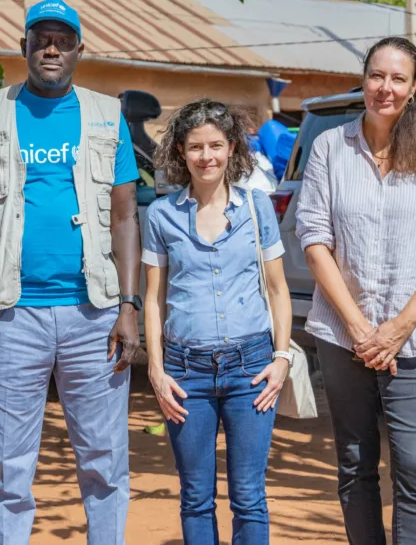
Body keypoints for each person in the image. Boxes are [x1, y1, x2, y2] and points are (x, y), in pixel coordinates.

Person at [0, 0, 143, 544]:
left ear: (80, 48)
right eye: (41, 38)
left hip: (94, 315)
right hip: (10, 317)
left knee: (104, 464)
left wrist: (129, 306)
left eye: (63, 39)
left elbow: (125, 216)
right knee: (7, 470)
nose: (51, 47)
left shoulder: (107, 113)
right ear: (24, 45)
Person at [296, 37, 416, 545]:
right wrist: (361, 328)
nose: (384, 88)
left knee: (414, 470)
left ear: (413, 89)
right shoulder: (329, 147)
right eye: (376, 75)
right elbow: (314, 236)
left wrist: (398, 327)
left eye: (397, 79)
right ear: (363, 79)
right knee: (354, 462)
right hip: (343, 336)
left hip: (414, 338)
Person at [142, 99, 294, 545]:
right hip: (186, 373)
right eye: (195, 147)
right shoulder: (162, 215)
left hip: (251, 368)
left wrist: (281, 356)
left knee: (248, 496)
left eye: (215, 145)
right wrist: (156, 369)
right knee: (195, 496)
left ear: (232, 149)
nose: (205, 156)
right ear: (180, 152)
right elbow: (153, 298)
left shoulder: (256, 207)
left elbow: (278, 290)